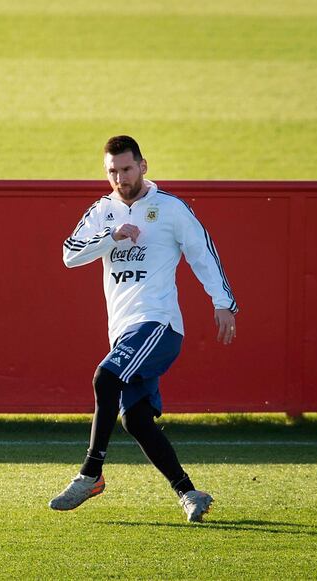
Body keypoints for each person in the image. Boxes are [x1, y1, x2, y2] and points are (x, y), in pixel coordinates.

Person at [49, 135, 238, 522]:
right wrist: (110, 237)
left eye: (126, 168)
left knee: (105, 377)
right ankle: (190, 493)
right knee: (134, 420)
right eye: (112, 171)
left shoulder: (170, 209)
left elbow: (203, 253)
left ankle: (90, 474)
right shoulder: (103, 211)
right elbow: (69, 254)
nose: (119, 177)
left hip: (159, 325)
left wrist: (223, 303)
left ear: (143, 166)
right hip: (124, 332)